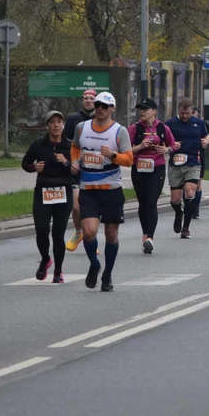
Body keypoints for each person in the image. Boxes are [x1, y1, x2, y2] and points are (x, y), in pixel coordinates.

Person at [70, 92, 133, 292]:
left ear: (112, 109)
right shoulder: (82, 127)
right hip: (88, 189)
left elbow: (129, 159)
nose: (99, 108)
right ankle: (95, 265)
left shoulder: (119, 131)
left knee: (111, 234)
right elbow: (74, 147)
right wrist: (74, 161)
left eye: (104, 106)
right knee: (88, 232)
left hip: (111, 190)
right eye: (97, 104)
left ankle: (108, 274)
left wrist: (113, 155)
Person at [21, 111, 73, 282]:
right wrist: (34, 168)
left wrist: (65, 162)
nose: (56, 125)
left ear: (63, 125)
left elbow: (77, 170)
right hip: (43, 191)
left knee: (58, 234)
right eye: (52, 122)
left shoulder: (70, 146)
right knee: (42, 230)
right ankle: (45, 259)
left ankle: (58, 271)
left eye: (59, 122)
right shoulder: (39, 145)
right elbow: (25, 163)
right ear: (47, 126)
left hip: (63, 192)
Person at [128, 98, 175, 254]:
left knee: (151, 201)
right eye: (141, 109)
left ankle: (150, 238)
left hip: (157, 168)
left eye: (146, 109)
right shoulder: (134, 129)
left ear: (154, 111)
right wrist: (140, 146)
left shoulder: (163, 128)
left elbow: (172, 145)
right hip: (139, 168)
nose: (142, 111)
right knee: (142, 203)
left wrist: (166, 150)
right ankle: (145, 233)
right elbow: (126, 150)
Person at [166, 98, 209, 239]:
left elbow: (207, 136)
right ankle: (178, 213)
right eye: (182, 113)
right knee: (175, 199)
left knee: (190, 193)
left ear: (192, 111)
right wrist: (170, 146)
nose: (185, 116)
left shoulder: (199, 123)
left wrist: (206, 142)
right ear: (178, 110)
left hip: (193, 162)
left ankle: (186, 227)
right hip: (175, 163)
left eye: (187, 113)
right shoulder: (170, 123)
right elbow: (163, 140)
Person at [63, 88, 97, 253]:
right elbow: (66, 142)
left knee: (93, 207)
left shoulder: (101, 119)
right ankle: (79, 232)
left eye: (91, 98)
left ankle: (92, 239)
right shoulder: (73, 119)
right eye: (86, 98)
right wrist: (70, 161)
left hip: (95, 170)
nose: (88, 101)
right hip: (77, 168)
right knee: (76, 207)